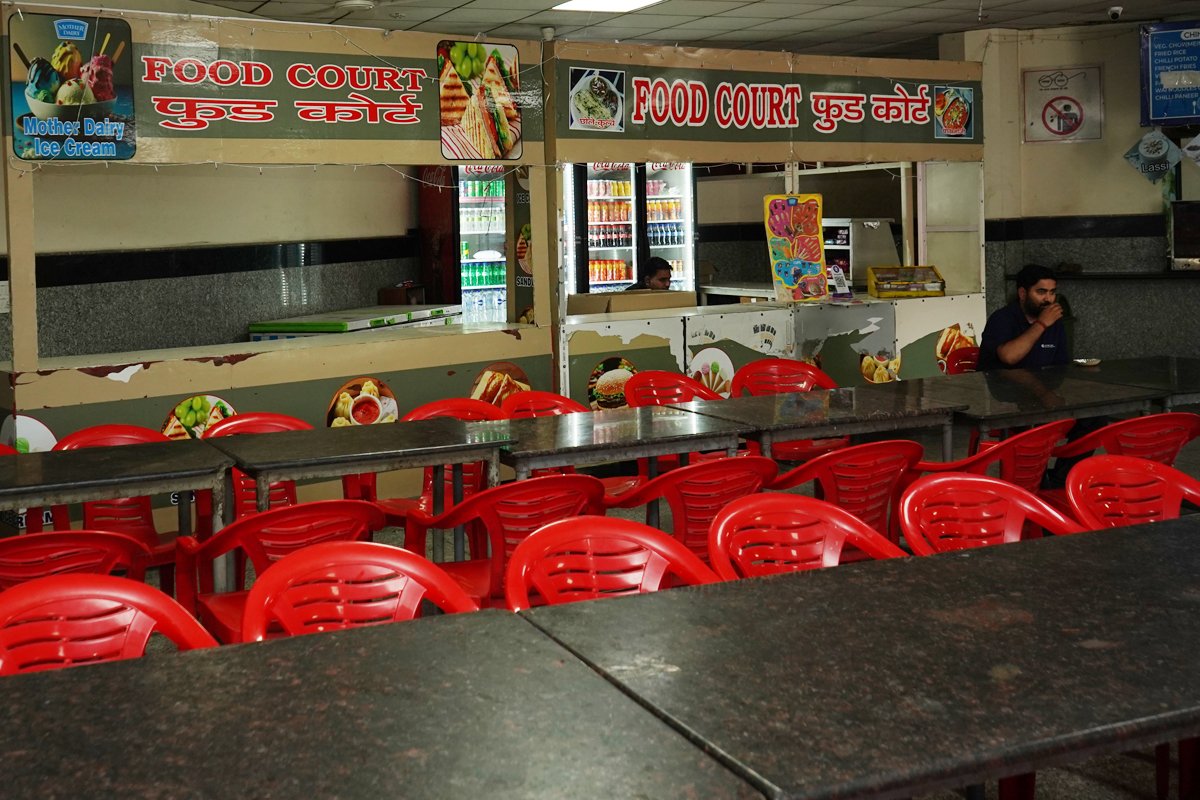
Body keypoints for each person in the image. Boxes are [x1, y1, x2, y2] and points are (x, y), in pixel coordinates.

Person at [978, 263, 1068, 371]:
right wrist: (1041, 324)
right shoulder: (1002, 318)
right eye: (1041, 292)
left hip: (1042, 381)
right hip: (1001, 381)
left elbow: (1061, 367)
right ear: (1023, 293)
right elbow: (1008, 357)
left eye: (1052, 292)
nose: (1048, 299)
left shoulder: (1054, 322)